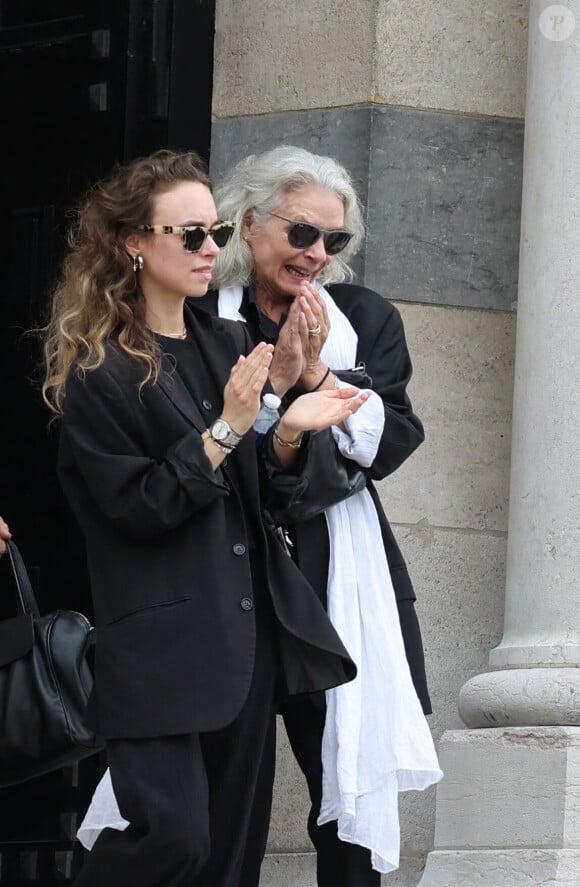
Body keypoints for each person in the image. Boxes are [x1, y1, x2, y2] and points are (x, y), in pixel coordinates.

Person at [41, 148, 373, 887]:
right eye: (188, 234)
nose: (210, 249)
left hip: (245, 642)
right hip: (158, 652)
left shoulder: (225, 347)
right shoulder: (100, 371)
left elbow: (268, 496)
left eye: (215, 231)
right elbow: (139, 507)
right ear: (133, 242)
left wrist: (290, 429)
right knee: (175, 839)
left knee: (229, 862)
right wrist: (227, 427)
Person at [197, 145, 443, 884]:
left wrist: (318, 376)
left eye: (333, 242)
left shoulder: (362, 317)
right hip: (227, 572)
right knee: (221, 803)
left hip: (332, 574)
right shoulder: (203, 316)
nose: (316, 255)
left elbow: (392, 438)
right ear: (247, 221)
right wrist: (277, 397)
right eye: (301, 233)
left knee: (350, 804)